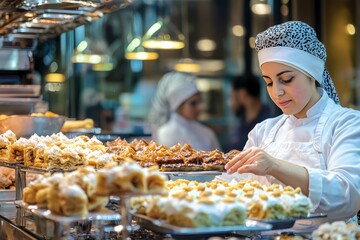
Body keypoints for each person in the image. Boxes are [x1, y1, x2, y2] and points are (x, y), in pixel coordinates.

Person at [223, 21, 360, 230]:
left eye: (286, 79)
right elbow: (234, 190)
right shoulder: (264, 131)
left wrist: (275, 166)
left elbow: (348, 194)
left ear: (312, 74)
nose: (276, 92)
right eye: (268, 82)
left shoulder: (346, 124)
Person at [148, 71, 221, 151]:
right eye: (193, 103)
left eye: (200, 101)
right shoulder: (163, 134)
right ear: (178, 104)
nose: (199, 107)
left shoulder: (207, 134)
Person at [227, 75, 273, 151]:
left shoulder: (269, 122)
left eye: (232, 97)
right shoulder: (243, 121)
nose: (230, 104)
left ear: (242, 94)